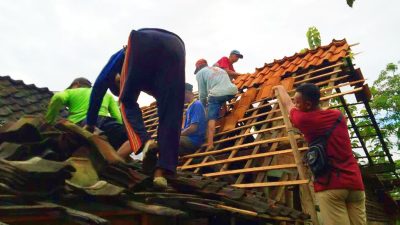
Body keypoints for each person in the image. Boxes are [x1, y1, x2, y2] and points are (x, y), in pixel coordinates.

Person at [85, 28, 185, 189]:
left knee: (125, 102)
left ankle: (145, 141)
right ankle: (162, 172)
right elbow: (168, 110)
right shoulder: (148, 79)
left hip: (143, 41)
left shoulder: (119, 57)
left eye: (119, 83)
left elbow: (98, 87)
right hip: (177, 47)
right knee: (171, 111)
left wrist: (90, 123)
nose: (121, 83)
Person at [273, 83, 366, 225]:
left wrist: (280, 88)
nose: (295, 104)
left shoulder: (305, 120)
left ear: (308, 105)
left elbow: (287, 104)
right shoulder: (338, 116)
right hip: (355, 185)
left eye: (298, 102)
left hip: (331, 185)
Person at [45, 77, 127, 149]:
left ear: (76, 84)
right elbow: (117, 116)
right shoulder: (106, 94)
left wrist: (49, 122)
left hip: (79, 125)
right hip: (105, 122)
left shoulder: (71, 92)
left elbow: (58, 97)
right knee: (123, 136)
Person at [195, 59, 238, 151]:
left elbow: (202, 93)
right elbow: (223, 85)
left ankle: (210, 144)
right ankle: (225, 111)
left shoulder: (199, 74)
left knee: (210, 118)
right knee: (220, 94)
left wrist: (204, 107)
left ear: (198, 68)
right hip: (232, 91)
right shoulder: (219, 69)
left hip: (217, 94)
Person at [180, 83, 207, 155]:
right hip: (187, 139)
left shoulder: (196, 105)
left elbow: (193, 128)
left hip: (194, 140)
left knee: (170, 141)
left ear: (187, 93)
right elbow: (185, 128)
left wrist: (179, 135)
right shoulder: (189, 107)